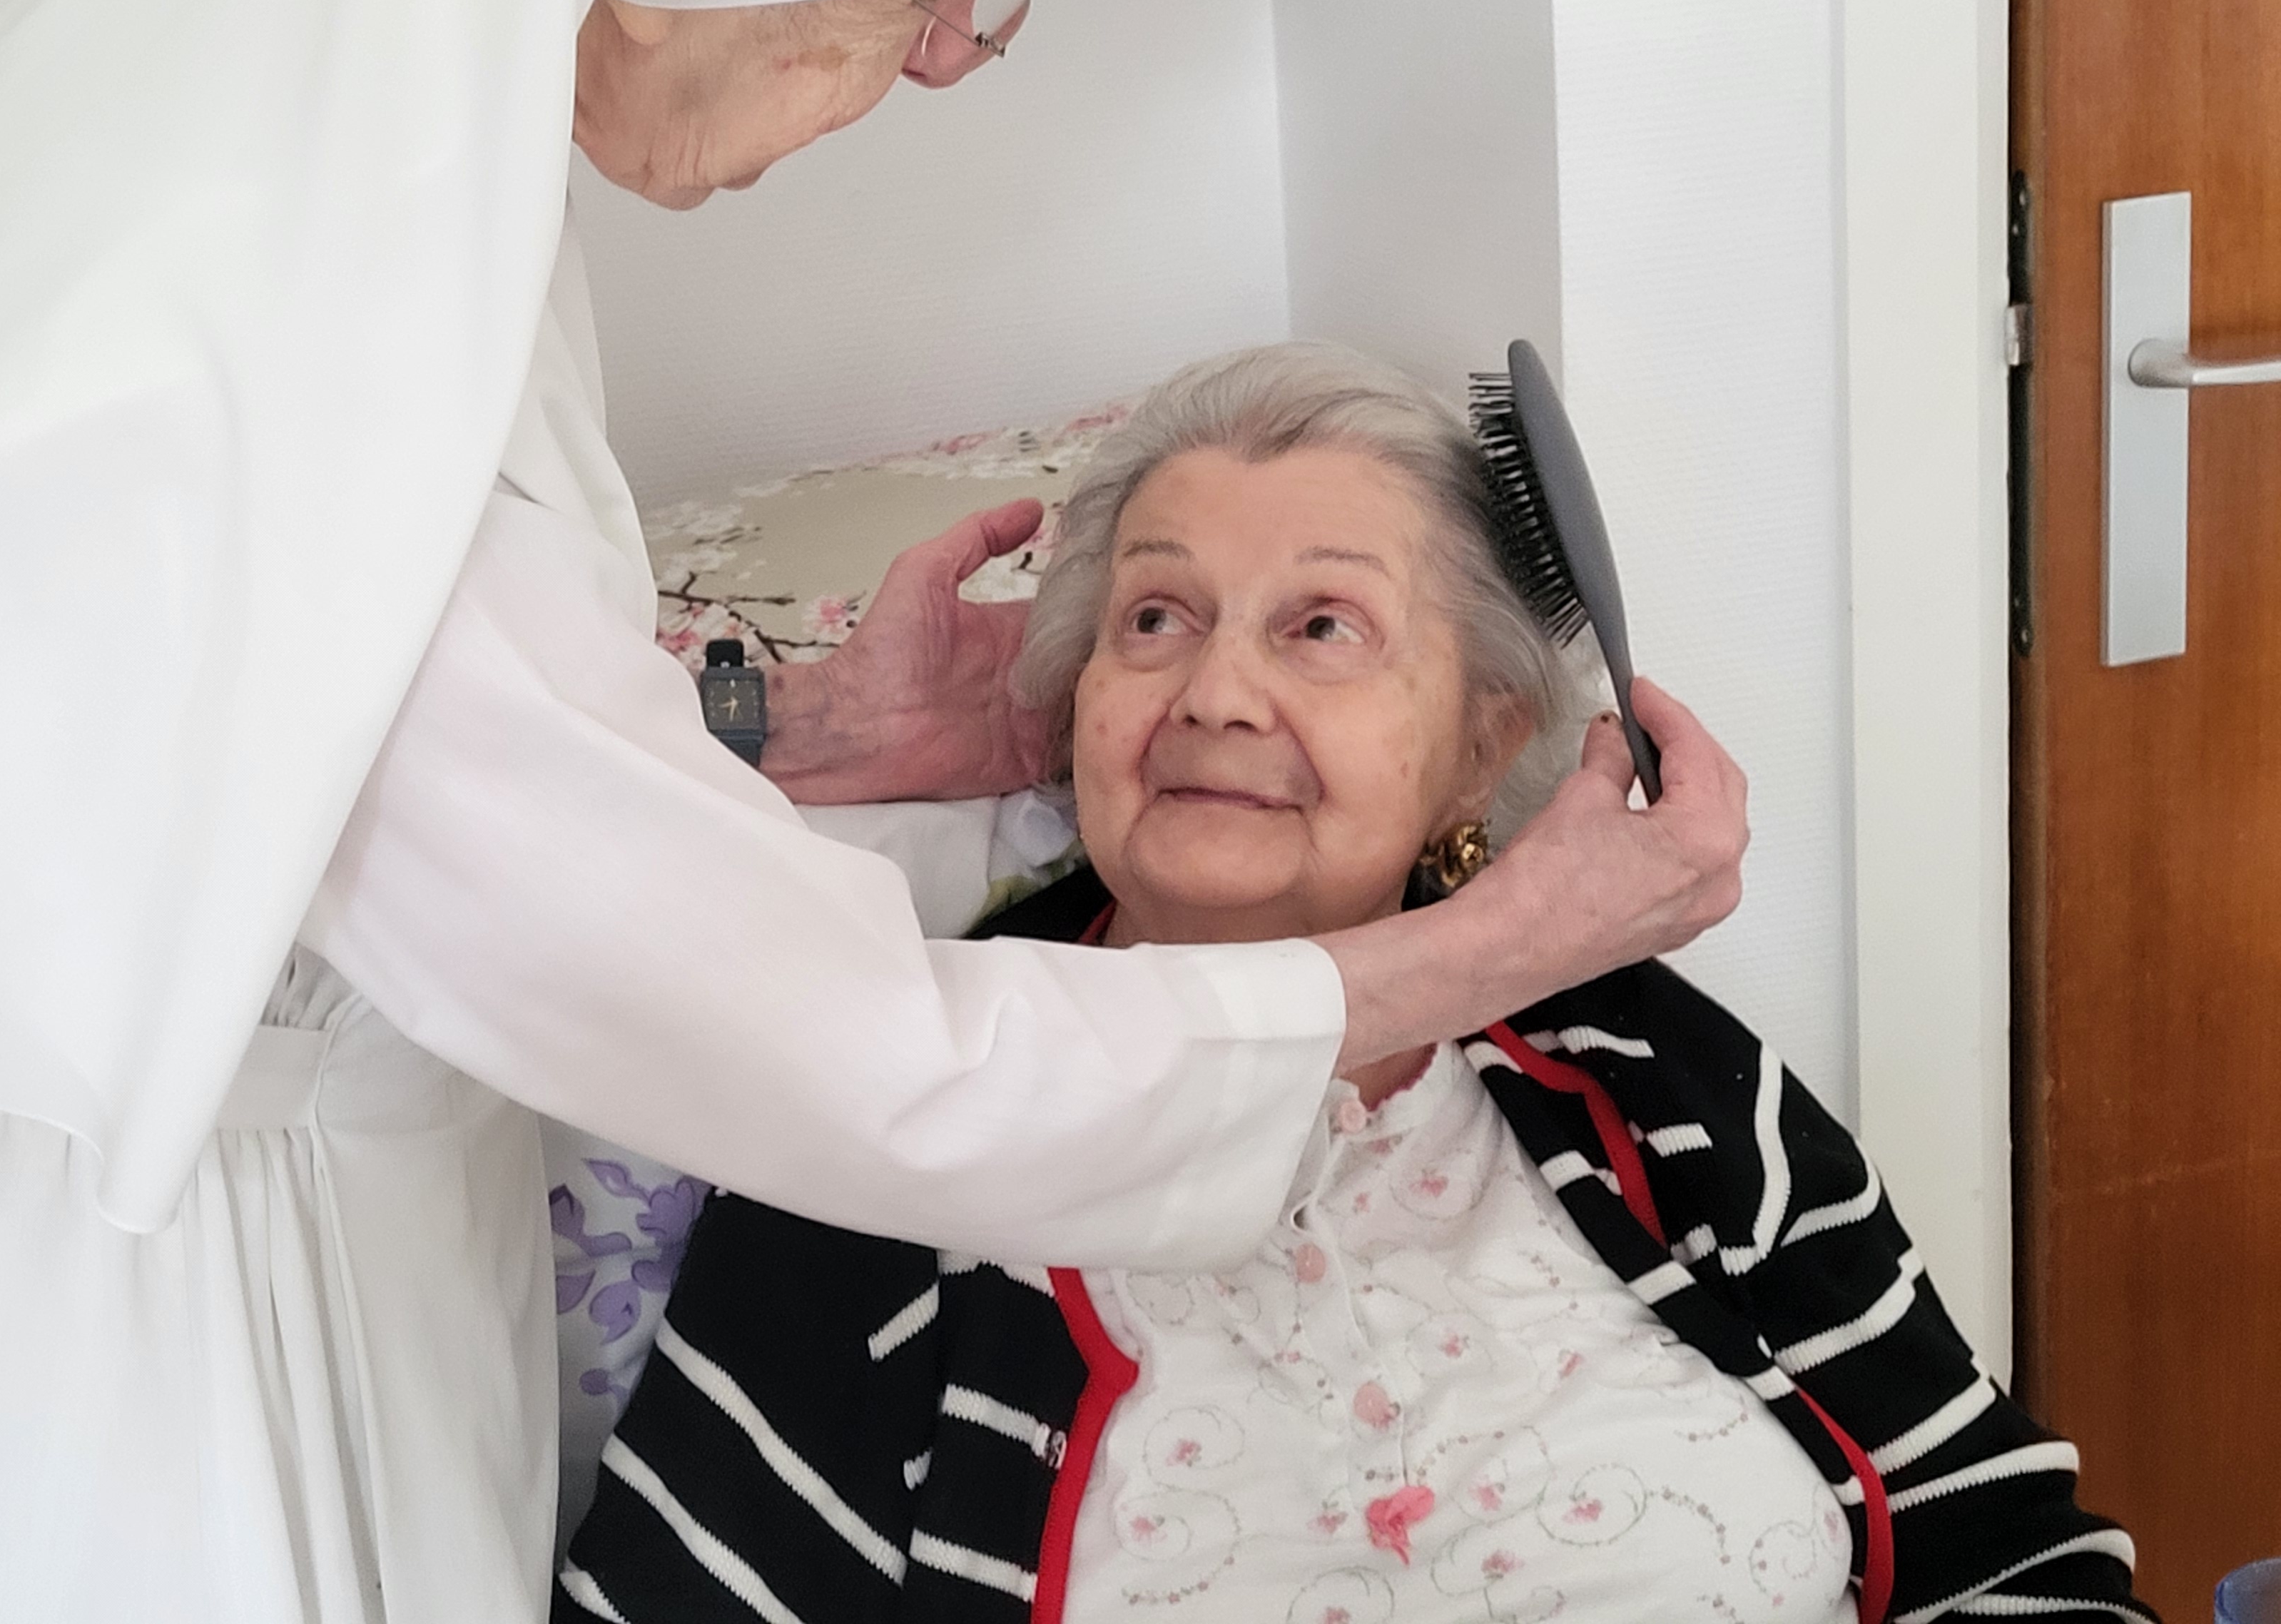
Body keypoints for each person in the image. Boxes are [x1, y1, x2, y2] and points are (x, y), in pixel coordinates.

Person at [0, 0, 1750, 1621]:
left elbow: (320, 746)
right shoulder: (300, 298)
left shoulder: (293, 104)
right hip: (140, 1368)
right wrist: (1492, 949)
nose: (939, 63)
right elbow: (853, 1064)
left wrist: (782, 727)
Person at [557, 345, 2146, 1624]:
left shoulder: (1649, 1074)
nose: (1214, 692)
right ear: (1072, 705)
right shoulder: (902, 1117)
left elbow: (2004, 1554)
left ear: (1480, 742)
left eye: (1321, 627)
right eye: (1155, 618)